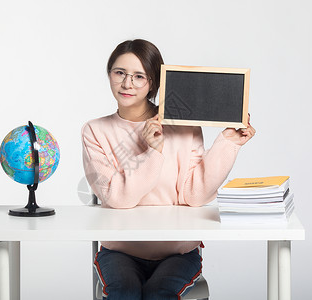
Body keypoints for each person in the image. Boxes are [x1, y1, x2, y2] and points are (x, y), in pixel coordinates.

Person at [81, 39, 256, 300]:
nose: (127, 84)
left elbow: (194, 195)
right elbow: (116, 198)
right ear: (109, 75)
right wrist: (153, 152)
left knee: (158, 294)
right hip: (120, 251)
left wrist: (228, 143)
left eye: (139, 76)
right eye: (120, 73)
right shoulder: (95, 130)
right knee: (124, 294)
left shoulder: (183, 125)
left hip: (178, 252)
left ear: (153, 82)